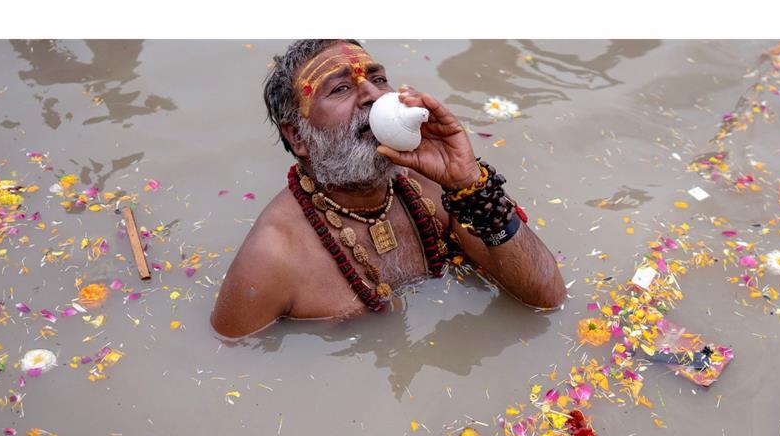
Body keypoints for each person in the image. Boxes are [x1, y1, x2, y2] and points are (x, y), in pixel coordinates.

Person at [210, 39, 566, 338]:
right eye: (341, 88)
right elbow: (233, 367)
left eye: (379, 79)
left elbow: (547, 299)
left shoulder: (434, 186)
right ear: (297, 136)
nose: (372, 94)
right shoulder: (273, 255)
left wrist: (470, 184)